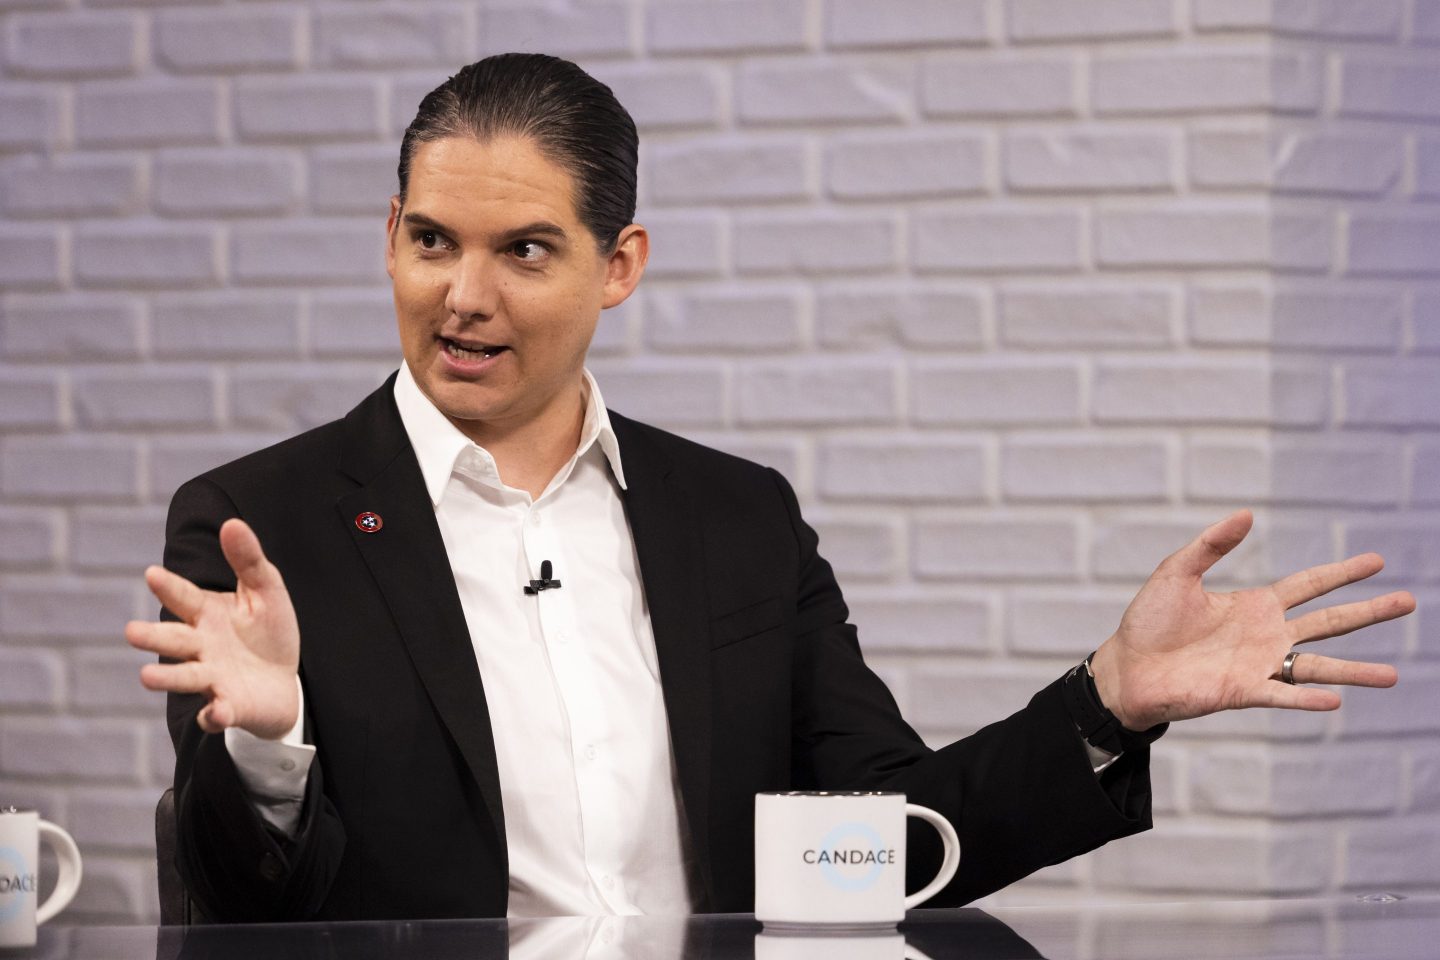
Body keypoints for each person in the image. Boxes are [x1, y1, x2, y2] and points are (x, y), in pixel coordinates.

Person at [125, 54, 1411, 923]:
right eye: (429, 242)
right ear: (389, 234)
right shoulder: (260, 528)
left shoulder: (733, 520)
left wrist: (1109, 704)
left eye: (524, 250)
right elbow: (237, 909)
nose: (463, 296)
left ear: (618, 265)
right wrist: (265, 749)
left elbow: (880, 842)